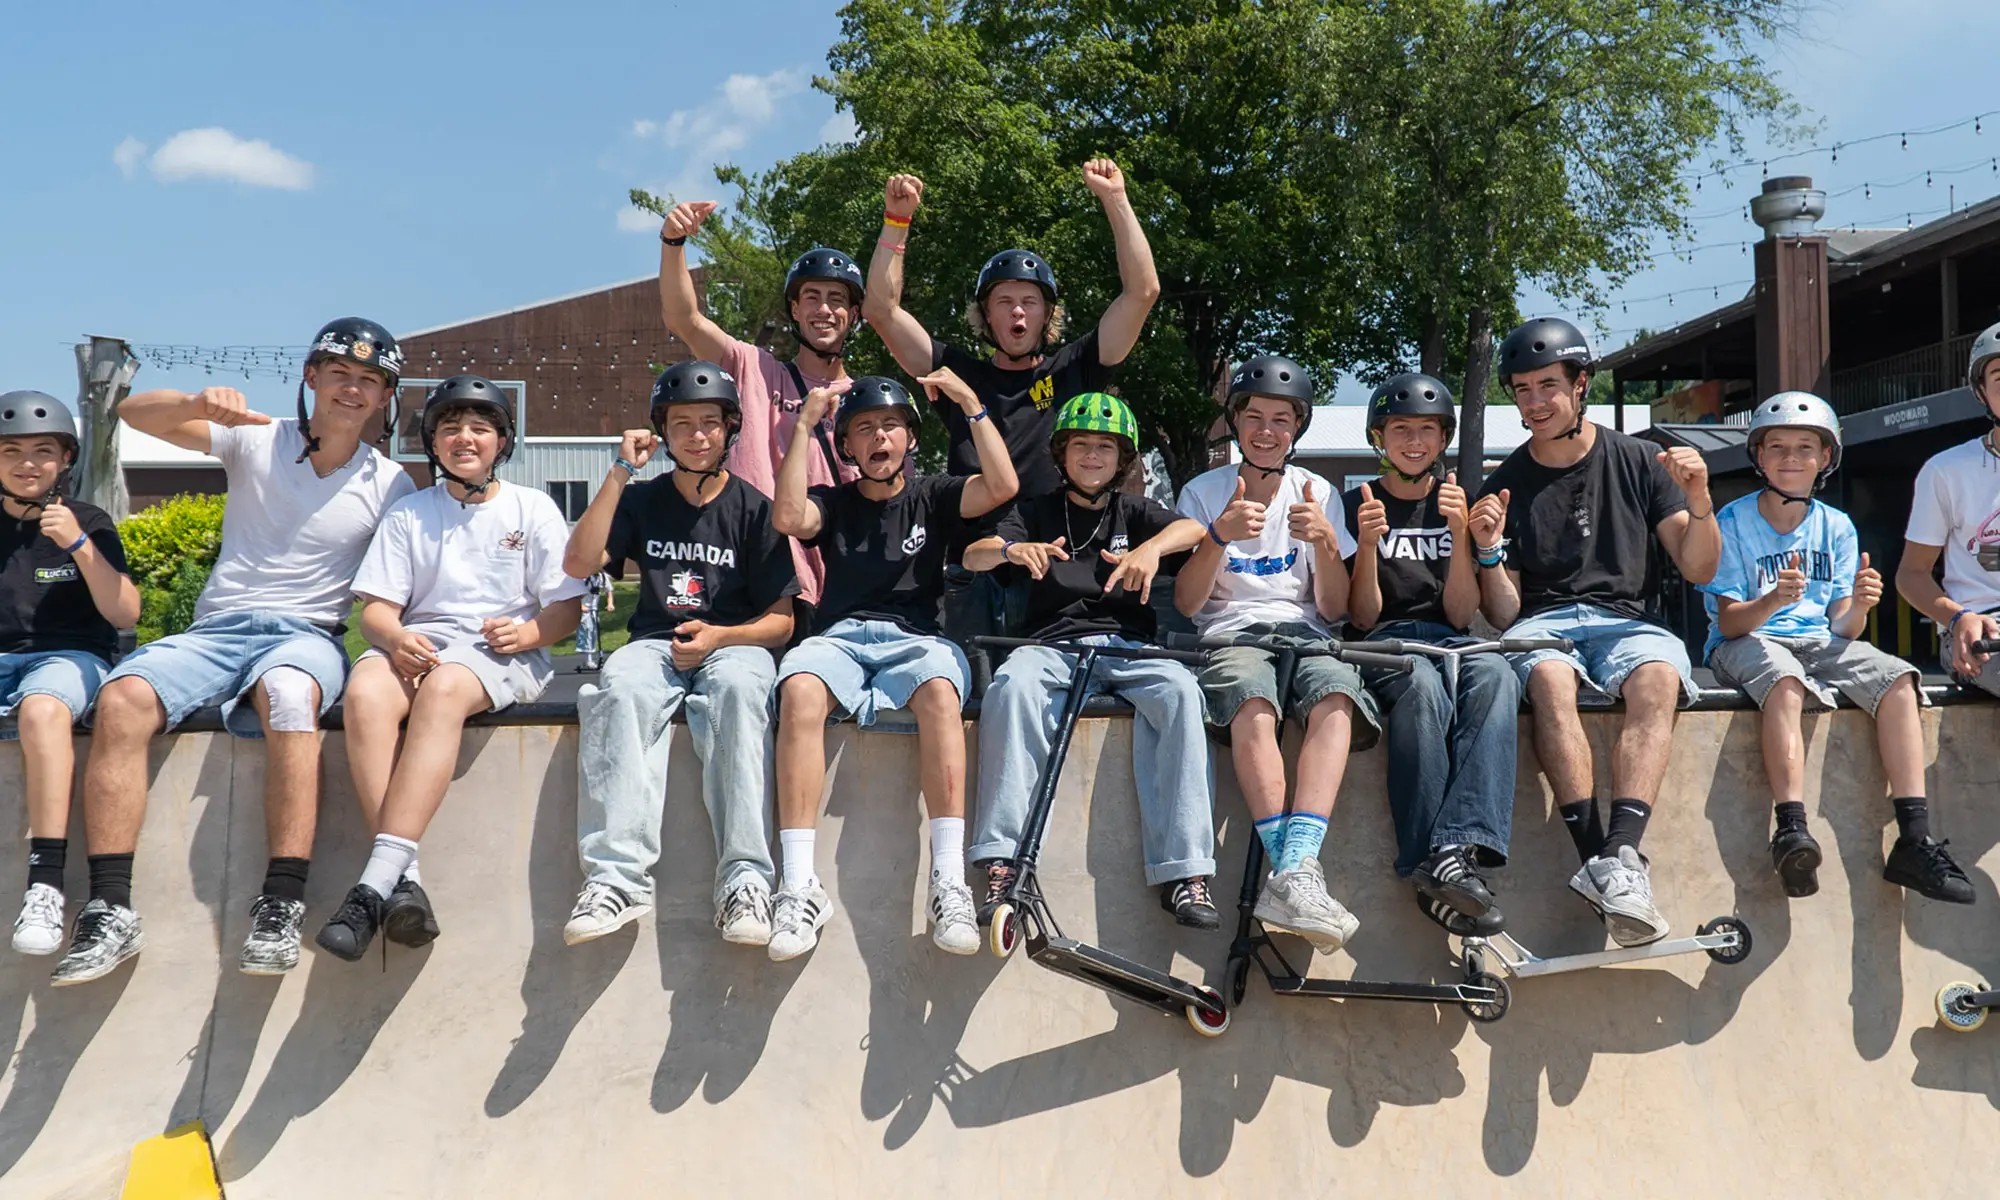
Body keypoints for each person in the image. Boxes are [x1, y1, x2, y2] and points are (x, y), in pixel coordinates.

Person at [54, 319, 416, 986]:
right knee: (123, 698)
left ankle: (280, 901)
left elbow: (404, 581)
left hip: (306, 635)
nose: (353, 389)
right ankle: (110, 906)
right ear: (312, 377)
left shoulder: (391, 484)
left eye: (370, 381)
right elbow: (132, 411)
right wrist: (196, 405)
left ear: (385, 397)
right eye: (341, 374)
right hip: (217, 630)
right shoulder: (259, 437)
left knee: (288, 696)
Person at [1468, 316, 1720, 948]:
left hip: (1628, 623)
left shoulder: (1638, 460)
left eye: (1547, 386)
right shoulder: (1504, 484)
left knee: (1660, 677)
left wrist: (1700, 501)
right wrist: (1490, 550)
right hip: (1544, 624)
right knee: (1550, 679)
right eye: (1521, 390)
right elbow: (1503, 614)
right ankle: (1602, 864)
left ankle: (1619, 858)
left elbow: (1698, 566)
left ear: (1581, 385)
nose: (1534, 403)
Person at [315, 375, 584, 961]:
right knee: (364, 690)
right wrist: (397, 636)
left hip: (501, 655)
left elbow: (565, 608)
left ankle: (370, 887)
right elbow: (378, 611)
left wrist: (530, 631)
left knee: (442, 691)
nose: (465, 438)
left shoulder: (531, 507)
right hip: (421, 646)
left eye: (481, 428)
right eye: (451, 428)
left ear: (502, 442)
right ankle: (402, 880)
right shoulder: (410, 513)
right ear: (432, 442)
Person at [768, 371, 1017, 961]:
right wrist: (804, 424)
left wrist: (970, 400)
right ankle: (798, 885)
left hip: (916, 639)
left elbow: (1002, 485)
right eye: (863, 430)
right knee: (799, 688)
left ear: (910, 439)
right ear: (847, 448)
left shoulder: (934, 495)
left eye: (890, 426)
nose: (879, 438)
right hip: (843, 638)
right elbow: (786, 517)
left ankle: (949, 879)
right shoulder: (832, 502)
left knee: (939, 691)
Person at [864, 160, 1160, 634]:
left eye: (1030, 301)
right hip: (972, 572)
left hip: (1053, 571)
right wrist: (896, 223)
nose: (1017, 312)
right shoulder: (956, 373)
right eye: (1004, 301)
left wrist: (1116, 199)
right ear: (985, 315)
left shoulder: (1074, 367)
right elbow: (881, 310)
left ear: (1047, 314)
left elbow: (1143, 292)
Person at [562, 361, 799, 947]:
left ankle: (745, 880)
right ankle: (616, 879)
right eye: (681, 423)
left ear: (729, 431)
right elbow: (579, 563)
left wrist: (722, 637)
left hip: (733, 642)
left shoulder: (755, 508)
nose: (696, 435)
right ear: (661, 433)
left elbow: (781, 622)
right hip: (654, 641)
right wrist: (620, 471)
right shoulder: (642, 499)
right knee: (618, 687)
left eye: (709, 423)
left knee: (742, 692)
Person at [962, 393, 1216, 928]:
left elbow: (1193, 530)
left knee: (1180, 691)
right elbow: (972, 554)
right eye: (1082, 446)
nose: (1094, 457)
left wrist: (1150, 550)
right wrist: (1010, 551)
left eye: (1106, 447)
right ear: (1062, 453)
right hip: (1050, 646)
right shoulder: (1035, 510)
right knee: (1011, 686)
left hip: (1129, 647)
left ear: (1124, 460)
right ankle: (1004, 861)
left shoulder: (1136, 512)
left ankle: (1186, 873)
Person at [1705, 392, 1969, 902]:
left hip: (1817, 640)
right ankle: (1791, 829)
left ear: (1826, 458)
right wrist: (1770, 601)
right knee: (1786, 684)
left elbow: (1842, 629)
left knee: (1898, 678)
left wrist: (1863, 608)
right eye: (1776, 446)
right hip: (1748, 640)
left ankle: (1914, 839)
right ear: (1757, 456)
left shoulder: (1837, 526)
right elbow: (1731, 623)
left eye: (1806, 447)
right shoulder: (1731, 523)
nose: (1790, 458)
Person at [1173, 354, 1376, 954]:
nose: (1266, 430)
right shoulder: (1203, 491)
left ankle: (1295, 871)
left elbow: (1334, 609)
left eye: (1281, 420)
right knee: (1252, 702)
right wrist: (1218, 536)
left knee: (1337, 697)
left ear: (1297, 428)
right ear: (1236, 423)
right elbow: (1187, 603)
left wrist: (1325, 545)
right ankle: (1294, 873)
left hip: (1305, 632)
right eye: (1254, 417)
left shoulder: (1318, 494)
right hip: (1231, 635)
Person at [1342, 373, 1519, 935]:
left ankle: (1457, 847)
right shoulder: (1356, 504)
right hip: (1383, 642)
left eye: (1426, 430)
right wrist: (1368, 545)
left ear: (1443, 439)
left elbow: (1464, 615)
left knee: (1496, 672)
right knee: (1419, 684)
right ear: (1379, 437)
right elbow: (1364, 617)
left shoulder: (1456, 504)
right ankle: (1432, 856)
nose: (1413, 442)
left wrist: (1462, 532)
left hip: (1448, 637)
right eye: (1400, 430)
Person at [657, 202, 867, 636]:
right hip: (758, 579)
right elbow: (685, 319)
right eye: (811, 297)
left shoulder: (868, 402)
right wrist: (674, 243)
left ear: (854, 315)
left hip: (840, 586)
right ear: (793, 309)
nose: (823, 310)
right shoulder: (753, 368)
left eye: (836, 300)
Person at [0, 394, 140, 955]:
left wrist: (78, 545)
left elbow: (126, 613)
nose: (27, 463)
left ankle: (46, 884)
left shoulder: (89, 521)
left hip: (71, 659)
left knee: (42, 709)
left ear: (65, 462)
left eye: (42, 451)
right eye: (12, 451)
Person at [1899, 319, 2000, 700]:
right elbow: (1911, 574)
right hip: (1982, 628)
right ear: (1981, 393)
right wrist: (1957, 618)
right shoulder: (1946, 470)